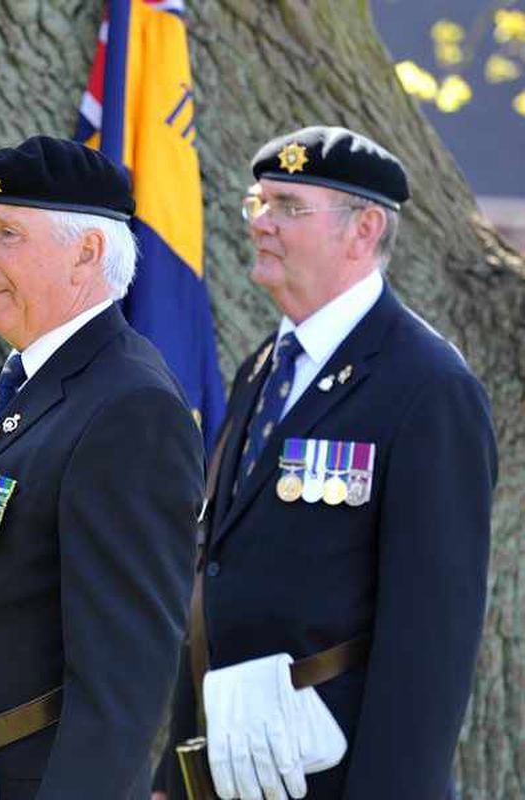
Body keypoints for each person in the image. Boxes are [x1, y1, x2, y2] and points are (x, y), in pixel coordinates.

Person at [153, 126, 498, 800]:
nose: (262, 225)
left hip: (335, 775)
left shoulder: (426, 386)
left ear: (363, 230)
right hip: (230, 768)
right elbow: (212, 579)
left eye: (287, 207)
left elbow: (432, 636)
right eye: (259, 204)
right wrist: (177, 769)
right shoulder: (265, 368)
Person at [0, 135, 206, 799]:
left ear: (87, 253)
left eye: (6, 233)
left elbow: (124, 685)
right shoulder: (24, 383)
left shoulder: (129, 407)